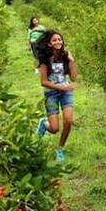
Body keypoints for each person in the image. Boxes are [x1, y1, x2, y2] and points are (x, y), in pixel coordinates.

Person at [34, 30, 78, 162]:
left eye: (60, 39)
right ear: (49, 44)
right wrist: (61, 87)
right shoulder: (44, 60)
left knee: (68, 120)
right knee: (54, 129)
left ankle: (60, 149)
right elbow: (44, 82)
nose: (58, 42)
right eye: (55, 40)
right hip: (51, 93)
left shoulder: (65, 56)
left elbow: (74, 78)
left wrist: (71, 61)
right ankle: (44, 123)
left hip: (65, 93)